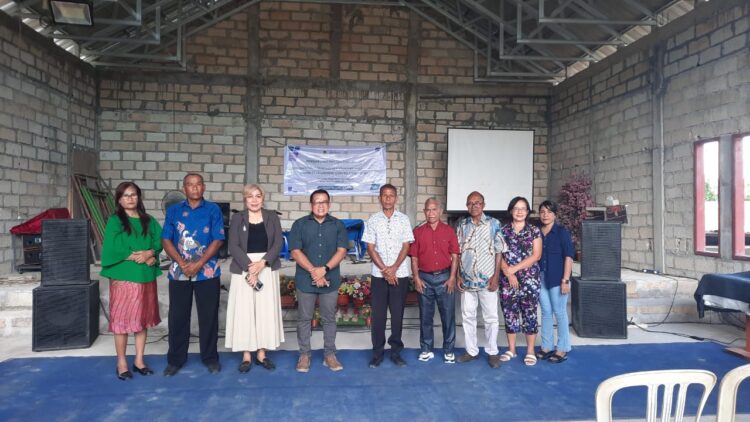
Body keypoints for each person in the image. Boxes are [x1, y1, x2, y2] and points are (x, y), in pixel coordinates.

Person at [161, 173, 225, 376]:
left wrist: (199, 263)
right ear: (184, 188)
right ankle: (176, 359)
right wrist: (182, 263)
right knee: (178, 317)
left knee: (209, 317)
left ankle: (210, 358)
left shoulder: (213, 209)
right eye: (190, 185)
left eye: (198, 185)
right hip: (179, 273)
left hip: (207, 272)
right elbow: (166, 239)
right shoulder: (174, 211)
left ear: (204, 187)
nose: (194, 188)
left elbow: (218, 239)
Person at [101, 182, 163, 380]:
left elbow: (159, 240)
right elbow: (112, 245)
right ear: (119, 199)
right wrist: (136, 255)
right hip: (124, 276)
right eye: (125, 195)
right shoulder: (115, 220)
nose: (130, 198)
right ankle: (121, 362)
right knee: (122, 321)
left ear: (139, 197)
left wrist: (150, 253)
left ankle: (139, 360)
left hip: (145, 276)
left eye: (134, 195)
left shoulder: (149, 220)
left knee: (141, 319)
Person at [225, 184, 285, 373]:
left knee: (264, 313)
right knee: (244, 313)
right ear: (245, 199)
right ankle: (246, 355)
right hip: (244, 269)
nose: (254, 200)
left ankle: (261, 353)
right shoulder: (237, 218)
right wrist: (250, 268)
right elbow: (232, 245)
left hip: (266, 268)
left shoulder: (272, 216)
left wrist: (263, 263)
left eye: (258, 196)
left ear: (263, 198)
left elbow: (278, 243)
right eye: (250, 196)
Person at [288, 189, 348, 372]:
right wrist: (314, 271)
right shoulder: (299, 225)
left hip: (330, 279)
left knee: (329, 318)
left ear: (329, 205)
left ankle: (329, 355)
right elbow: (295, 251)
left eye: (324, 202)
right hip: (305, 279)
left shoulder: (338, 225)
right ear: (311, 205)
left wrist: (324, 270)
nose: (320, 205)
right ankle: (304, 355)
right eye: (316, 202)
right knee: (304, 318)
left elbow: (342, 251)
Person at [362, 184, 414, 368]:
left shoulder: (403, 219)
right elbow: (370, 247)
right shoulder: (373, 220)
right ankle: (377, 353)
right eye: (384, 195)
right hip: (379, 275)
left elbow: (406, 246)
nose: (388, 198)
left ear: (396, 198)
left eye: (391, 195)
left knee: (397, 315)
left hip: (400, 275)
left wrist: (394, 269)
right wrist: (385, 270)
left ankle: (396, 353)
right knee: (379, 317)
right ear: (380, 198)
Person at [455, 191, 507, 368]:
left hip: (487, 280)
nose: (474, 206)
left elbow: (499, 251)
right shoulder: (462, 225)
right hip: (467, 280)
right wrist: (458, 275)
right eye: (470, 203)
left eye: (477, 203)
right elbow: (458, 252)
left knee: (491, 317)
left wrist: (496, 276)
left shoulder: (494, 224)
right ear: (466, 206)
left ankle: (492, 352)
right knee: (468, 317)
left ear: (483, 205)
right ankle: (471, 351)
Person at [409, 197, 459, 364]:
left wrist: (452, 278)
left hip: (445, 278)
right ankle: (426, 349)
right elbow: (414, 258)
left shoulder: (449, 231)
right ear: (424, 212)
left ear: (440, 211)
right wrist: (416, 277)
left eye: (434, 209)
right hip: (424, 279)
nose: (430, 213)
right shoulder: (418, 232)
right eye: (427, 210)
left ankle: (449, 350)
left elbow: (455, 256)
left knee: (448, 316)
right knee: (425, 316)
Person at [498, 196, 543, 367]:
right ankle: (512, 349)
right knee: (509, 313)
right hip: (507, 279)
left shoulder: (534, 230)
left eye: (523, 208)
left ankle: (530, 351)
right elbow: (498, 254)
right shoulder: (502, 230)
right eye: (516, 208)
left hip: (530, 280)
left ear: (527, 211)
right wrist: (508, 273)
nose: (519, 211)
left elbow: (536, 255)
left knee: (529, 314)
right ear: (511, 210)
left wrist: (513, 270)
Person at [536, 200, 574, 364]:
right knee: (545, 312)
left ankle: (562, 348)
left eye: (549, 212)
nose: (545, 215)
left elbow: (569, 257)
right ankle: (546, 346)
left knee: (559, 313)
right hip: (541, 277)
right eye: (542, 211)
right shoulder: (537, 232)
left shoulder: (561, 232)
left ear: (555, 215)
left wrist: (565, 280)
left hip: (558, 278)